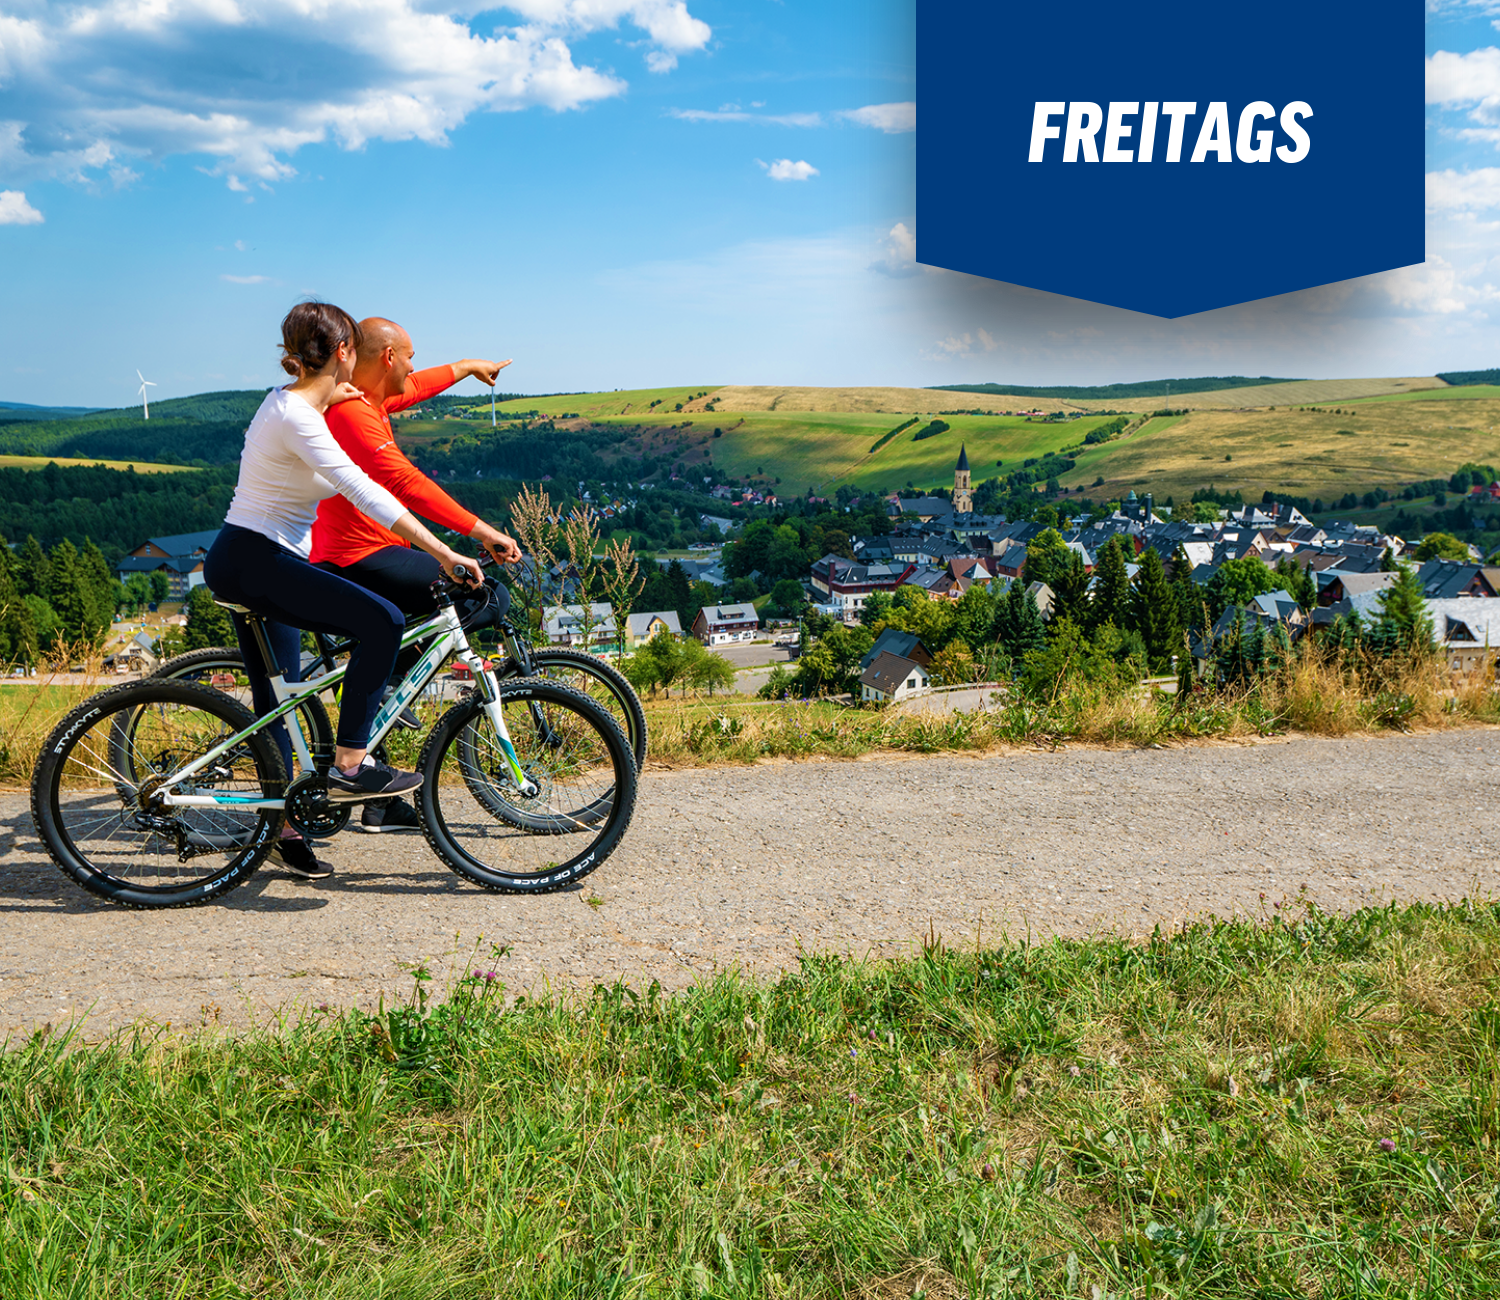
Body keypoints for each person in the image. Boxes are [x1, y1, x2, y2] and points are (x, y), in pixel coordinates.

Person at [203, 302, 481, 878]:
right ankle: (353, 764)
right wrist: (443, 552)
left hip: (253, 556)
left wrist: (341, 394)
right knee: (381, 620)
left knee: (281, 695)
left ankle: (281, 823)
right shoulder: (299, 419)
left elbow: (363, 395)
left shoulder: (293, 400)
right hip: (255, 559)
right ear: (344, 354)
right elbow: (364, 490)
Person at [309, 316, 521, 833]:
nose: (411, 364)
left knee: (446, 608)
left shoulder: (368, 397)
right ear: (386, 358)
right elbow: (406, 483)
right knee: (485, 595)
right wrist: (479, 531)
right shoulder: (354, 415)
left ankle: (377, 795)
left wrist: (469, 367)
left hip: (370, 550)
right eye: (406, 354)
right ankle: (385, 691)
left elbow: (418, 384)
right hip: (351, 557)